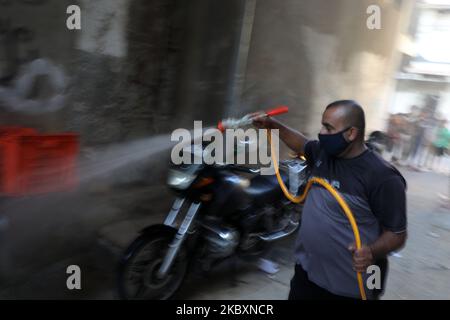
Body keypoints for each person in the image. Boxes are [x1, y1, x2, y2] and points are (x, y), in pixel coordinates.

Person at [254, 100, 407, 300]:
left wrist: (372, 251)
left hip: (352, 286)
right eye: (322, 126)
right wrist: (272, 125)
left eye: (328, 128)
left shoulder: (383, 177)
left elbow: (397, 234)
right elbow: (302, 144)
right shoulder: (323, 154)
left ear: (351, 133)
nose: (321, 133)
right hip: (307, 274)